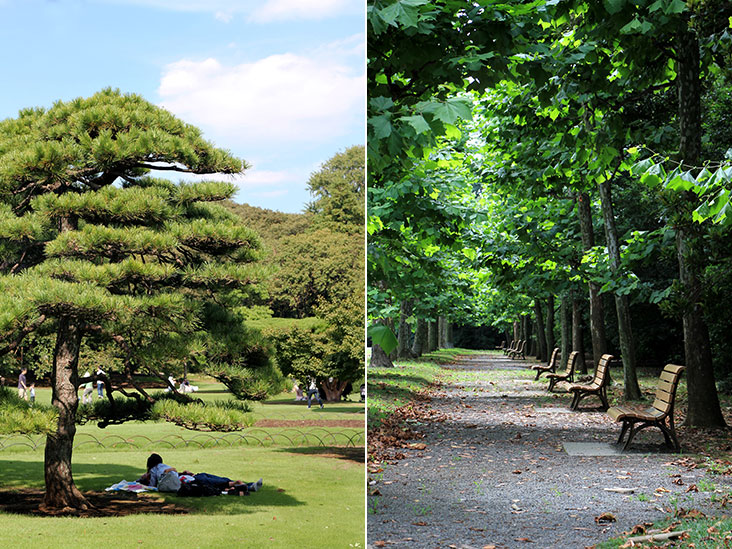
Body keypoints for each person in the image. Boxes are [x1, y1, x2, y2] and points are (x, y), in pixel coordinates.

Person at [138, 453, 262, 495]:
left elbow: (154, 485)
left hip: (192, 480)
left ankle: (238, 484)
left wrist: (145, 481)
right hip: (194, 477)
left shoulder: (154, 470)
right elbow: (172, 474)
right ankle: (247, 485)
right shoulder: (163, 467)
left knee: (214, 483)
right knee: (216, 480)